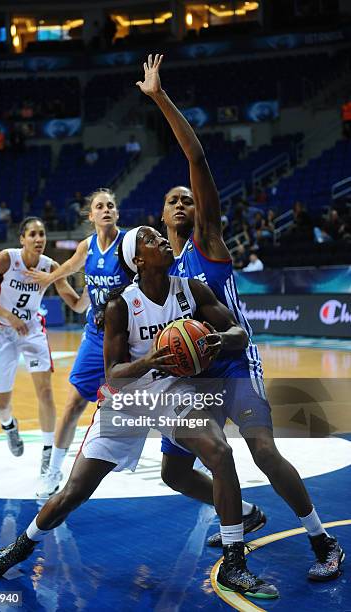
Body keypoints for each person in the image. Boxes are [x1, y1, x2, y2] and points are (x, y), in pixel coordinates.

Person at [0, 226, 278, 600]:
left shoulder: (190, 291)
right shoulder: (121, 304)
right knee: (74, 492)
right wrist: (150, 359)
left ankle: (235, 564)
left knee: (220, 453)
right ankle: (22, 545)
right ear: (138, 259)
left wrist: (217, 341)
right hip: (128, 398)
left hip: (171, 391)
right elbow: (113, 377)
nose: (163, 241)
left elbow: (239, 333)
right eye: (152, 240)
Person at [137, 54, 344, 583]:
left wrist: (160, 98)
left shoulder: (208, 241)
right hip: (191, 376)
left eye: (187, 199)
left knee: (263, 452)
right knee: (172, 472)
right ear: (160, 216)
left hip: (231, 361)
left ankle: (323, 540)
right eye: (172, 201)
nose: (182, 203)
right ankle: (243, 512)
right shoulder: (162, 265)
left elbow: (199, 163)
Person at [24, 189, 128, 497]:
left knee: (156, 402)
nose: (106, 209)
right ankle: (53, 470)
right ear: (91, 215)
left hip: (128, 338)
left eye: (111, 205)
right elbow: (68, 268)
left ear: (117, 213)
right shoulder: (87, 246)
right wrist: (50, 278)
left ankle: (196, 461)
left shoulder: (129, 244)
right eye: (99, 206)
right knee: (73, 404)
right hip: (96, 338)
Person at [0, 217, 88, 477]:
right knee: (2, 403)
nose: (39, 239)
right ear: (22, 238)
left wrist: (93, 283)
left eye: (42, 234)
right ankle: (9, 426)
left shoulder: (50, 266)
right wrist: (8, 316)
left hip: (32, 330)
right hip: (2, 331)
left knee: (45, 391)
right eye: (32, 234)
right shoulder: (6, 259)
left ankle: (48, 451)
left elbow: (77, 305)